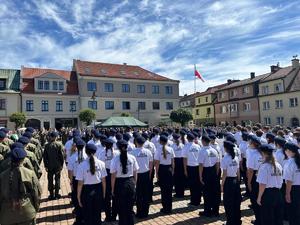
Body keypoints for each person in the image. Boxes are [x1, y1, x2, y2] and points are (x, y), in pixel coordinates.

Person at [0, 147, 41, 225]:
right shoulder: (30, 173)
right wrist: (35, 208)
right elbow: (36, 193)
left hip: (7, 214)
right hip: (26, 212)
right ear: (23, 159)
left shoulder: (2, 175)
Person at [76, 143, 107, 225]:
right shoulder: (101, 164)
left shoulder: (81, 165)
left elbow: (80, 184)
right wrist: (103, 194)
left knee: (87, 213)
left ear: (85, 152)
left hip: (86, 191)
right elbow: (104, 181)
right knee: (97, 213)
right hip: (98, 190)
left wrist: (78, 197)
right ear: (95, 152)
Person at [111, 140, 138, 225]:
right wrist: (134, 184)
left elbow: (113, 176)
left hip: (119, 184)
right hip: (130, 182)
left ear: (118, 148)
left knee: (121, 207)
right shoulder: (132, 157)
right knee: (130, 207)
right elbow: (135, 172)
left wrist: (112, 189)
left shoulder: (115, 159)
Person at [257, 144, 283, 225]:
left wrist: (259, 197)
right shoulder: (278, 165)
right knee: (277, 217)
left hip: (267, 194)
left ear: (263, 153)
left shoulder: (264, 167)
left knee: (267, 218)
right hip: (278, 193)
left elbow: (262, 184)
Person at [198, 135, 220, 217]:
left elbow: (200, 165)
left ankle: (207, 211)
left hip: (206, 171)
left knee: (207, 192)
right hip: (213, 171)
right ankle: (215, 210)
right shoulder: (214, 150)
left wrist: (200, 176)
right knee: (214, 192)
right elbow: (218, 163)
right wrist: (217, 173)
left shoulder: (202, 151)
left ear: (203, 141)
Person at [131, 136, 153, 218]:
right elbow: (151, 165)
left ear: (136, 143)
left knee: (139, 194)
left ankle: (139, 212)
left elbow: (132, 167)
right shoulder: (148, 152)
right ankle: (145, 212)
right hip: (146, 174)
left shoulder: (133, 152)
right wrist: (150, 174)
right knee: (146, 194)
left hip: (137, 175)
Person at [221, 140, 242, 225]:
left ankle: (230, 222)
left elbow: (224, 174)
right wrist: (238, 181)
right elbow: (238, 172)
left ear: (226, 148)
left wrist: (222, 184)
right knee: (236, 202)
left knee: (228, 203)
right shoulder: (235, 158)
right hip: (235, 180)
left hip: (229, 181)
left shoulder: (225, 158)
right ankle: (237, 220)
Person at [67, 139, 86, 225]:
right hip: (86, 181)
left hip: (76, 180)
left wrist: (71, 182)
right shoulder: (87, 157)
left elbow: (70, 172)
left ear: (76, 147)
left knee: (77, 199)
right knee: (85, 199)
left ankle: (79, 219)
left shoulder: (72, 157)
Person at [154, 135, 175, 214]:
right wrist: (173, 170)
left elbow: (157, 163)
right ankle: (169, 208)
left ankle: (165, 207)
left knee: (163, 190)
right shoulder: (171, 149)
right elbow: (173, 162)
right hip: (169, 169)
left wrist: (157, 174)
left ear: (160, 141)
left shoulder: (158, 150)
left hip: (162, 170)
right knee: (169, 190)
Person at [98, 138, 117, 222]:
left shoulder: (102, 153)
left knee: (107, 197)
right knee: (115, 196)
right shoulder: (117, 153)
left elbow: (100, 166)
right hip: (115, 175)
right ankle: (114, 215)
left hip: (105, 175)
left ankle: (108, 216)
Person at [246, 135, 263, 225]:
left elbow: (250, 170)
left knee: (255, 200)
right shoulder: (262, 152)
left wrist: (249, 182)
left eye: (249, 142)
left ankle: (259, 220)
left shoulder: (252, 154)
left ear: (253, 144)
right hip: (264, 176)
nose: (248, 143)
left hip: (255, 178)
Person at [43, 131, 65, 200]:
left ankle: (51, 195)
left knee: (50, 180)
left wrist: (45, 166)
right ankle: (56, 194)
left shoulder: (46, 145)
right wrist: (62, 164)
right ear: (56, 137)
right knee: (57, 179)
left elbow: (45, 157)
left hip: (49, 165)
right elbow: (62, 156)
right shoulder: (59, 145)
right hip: (57, 165)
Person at [182, 132, 201, 206]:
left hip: (190, 167)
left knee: (192, 185)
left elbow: (184, 160)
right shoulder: (198, 146)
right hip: (197, 166)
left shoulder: (186, 147)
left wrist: (185, 170)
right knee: (198, 184)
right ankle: (198, 199)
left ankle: (194, 201)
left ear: (187, 139)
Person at [283, 142, 300, 225]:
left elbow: (289, 181)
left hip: (294, 190)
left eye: (285, 150)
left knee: (293, 212)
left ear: (288, 150)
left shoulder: (289, 163)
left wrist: (287, 194)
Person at [171, 133, 185, 198]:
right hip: (182, 161)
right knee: (182, 178)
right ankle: (182, 192)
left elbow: (172, 157)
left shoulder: (172, 146)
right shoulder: (182, 145)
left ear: (174, 139)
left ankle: (178, 193)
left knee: (176, 178)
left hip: (175, 161)